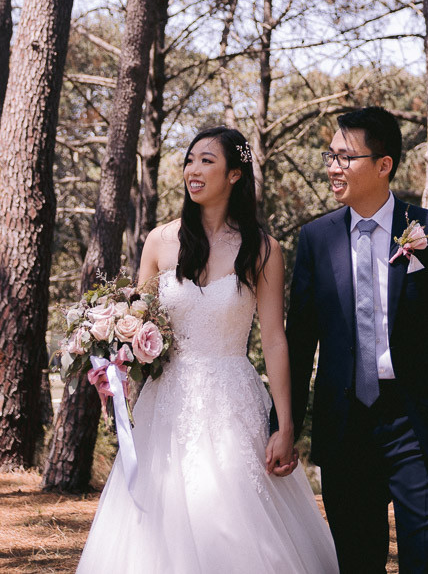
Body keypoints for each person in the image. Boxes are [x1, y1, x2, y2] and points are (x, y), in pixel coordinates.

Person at [75, 126, 338, 574]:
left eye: (206, 161)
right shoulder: (160, 241)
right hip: (166, 405)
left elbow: (275, 339)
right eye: (189, 160)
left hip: (233, 401)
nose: (192, 170)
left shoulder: (262, 249)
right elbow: (135, 322)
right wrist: (111, 358)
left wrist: (286, 423)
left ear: (235, 174)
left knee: (238, 522)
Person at [286, 105, 428, 574]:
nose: (333, 167)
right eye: (329, 156)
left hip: (416, 423)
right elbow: (298, 343)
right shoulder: (315, 239)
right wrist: (286, 425)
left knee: (425, 556)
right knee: (356, 560)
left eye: (345, 157)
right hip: (345, 424)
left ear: (383, 165)